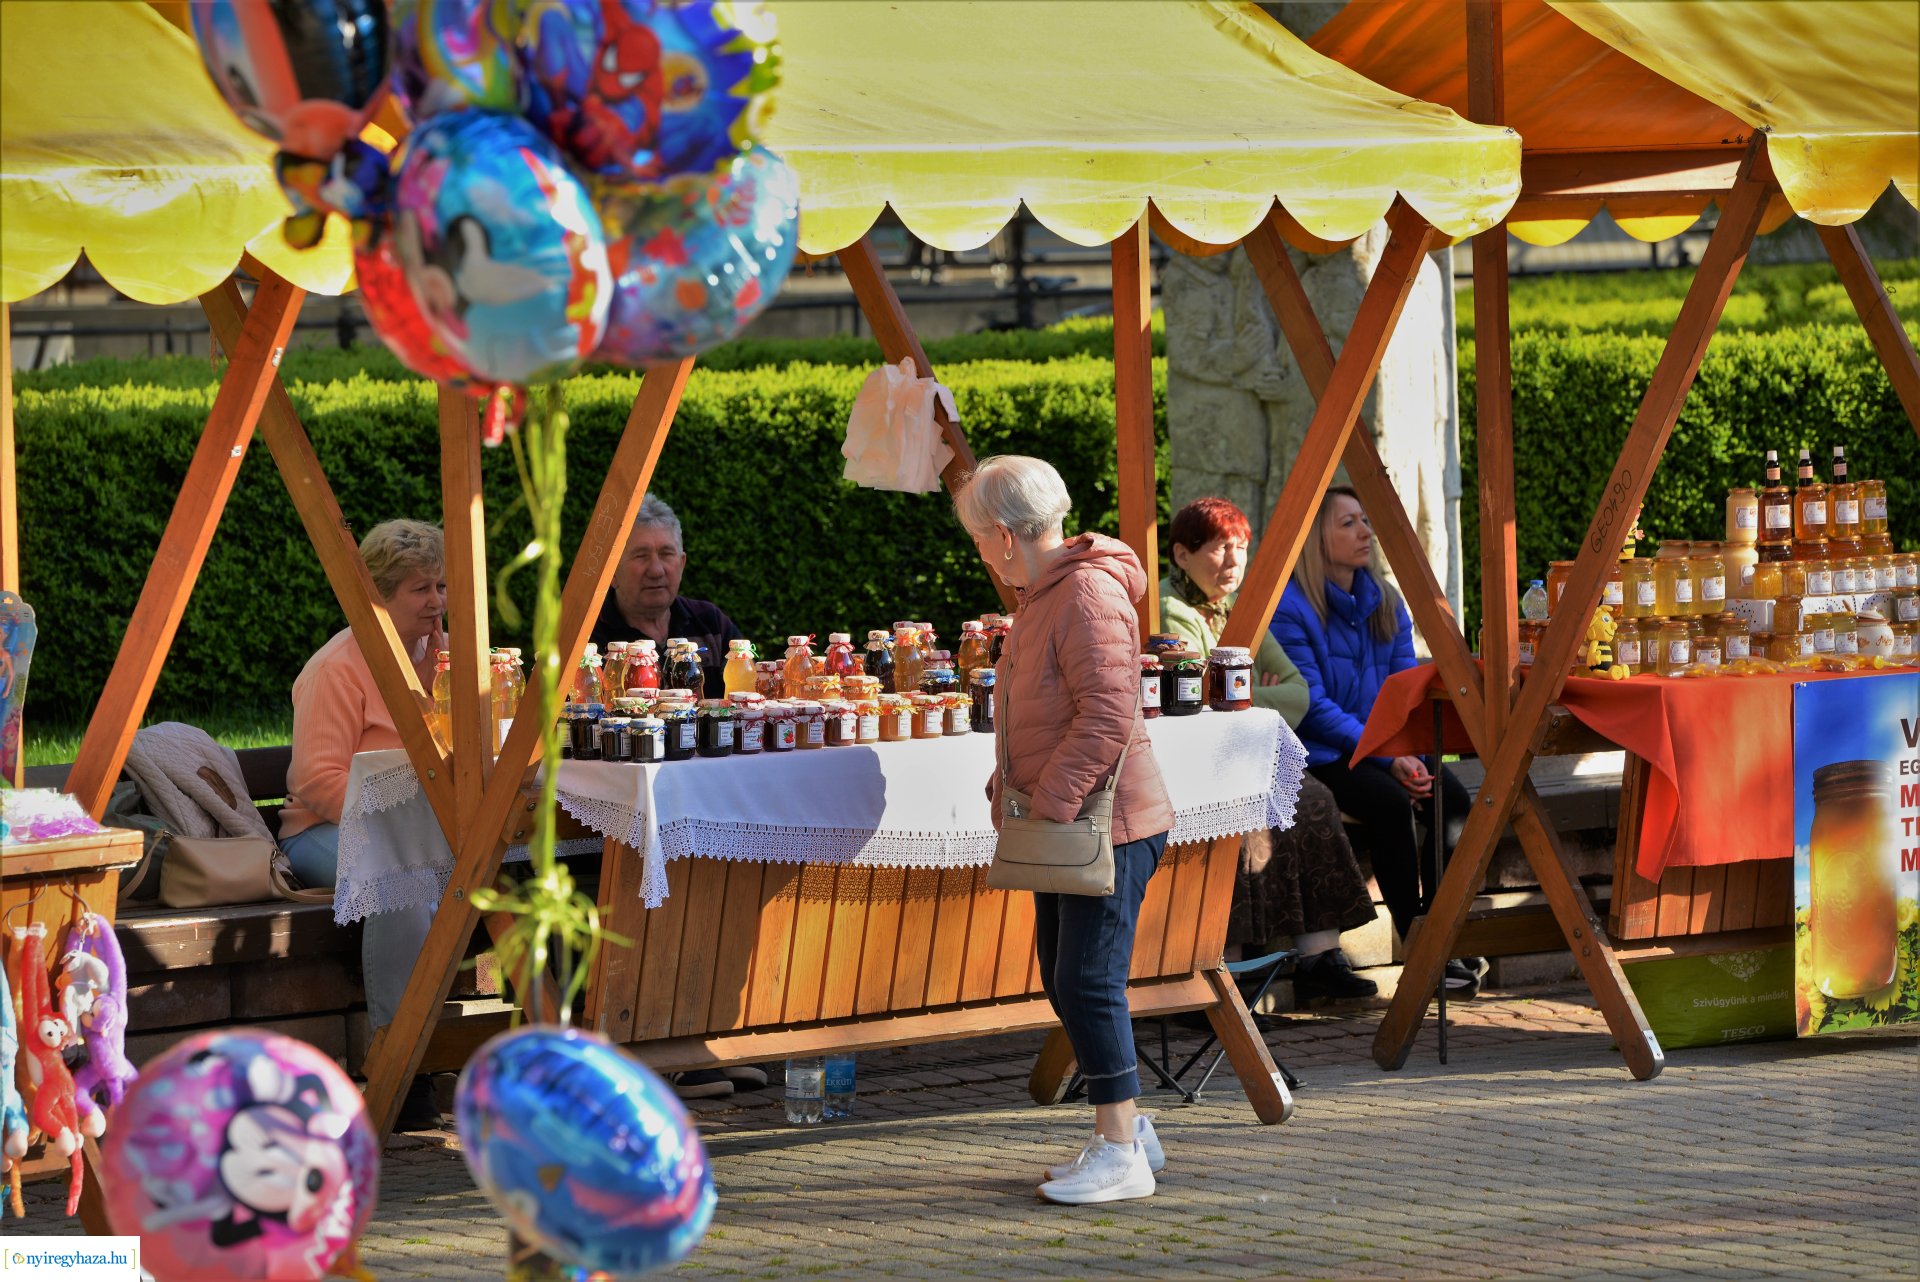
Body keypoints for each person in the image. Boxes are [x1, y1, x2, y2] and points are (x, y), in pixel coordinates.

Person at [956, 454, 1173, 1206]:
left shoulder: (1082, 590)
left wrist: (1044, 802)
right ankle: (1128, 1130)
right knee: (1067, 976)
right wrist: (1014, 787)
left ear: (1008, 536)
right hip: (1078, 819)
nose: (980, 552)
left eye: (980, 538)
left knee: (1087, 981)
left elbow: (1111, 715)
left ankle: (1122, 1151)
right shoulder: (1053, 591)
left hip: (1102, 824)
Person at [1159, 498, 1377, 1001]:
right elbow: (1202, 705)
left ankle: (1320, 954)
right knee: (1246, 820)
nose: (1234, 561)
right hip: (1195, 764)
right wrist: (1250, 688)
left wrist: (1240, 691)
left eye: (1240, 548)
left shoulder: (1242, 608)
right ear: (1182, 555)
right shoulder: (1172, 614)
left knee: (1315, 798)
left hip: (1247, 754)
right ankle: (1231, 970)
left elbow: (1298, 694)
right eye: (1218, 549)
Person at [1269, 486, 1482, 995]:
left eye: (1365, 520)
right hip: (1322, 752)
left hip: (1389, 746)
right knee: (1389, 805)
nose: (1365, 532)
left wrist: (1410, 755)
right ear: (1316, 536)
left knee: (1452, 799)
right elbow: (1312, 706)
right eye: (1348, 523)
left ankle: (1441, 933)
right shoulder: (1290, 607)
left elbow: (1406, 689)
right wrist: (1390, 761)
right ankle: (1419, 947)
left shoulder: (1385, 600)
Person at [279, 520, 448, 1131]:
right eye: (419, 590)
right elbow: (315, 783)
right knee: (402, 889)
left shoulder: (448, 657)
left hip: (435, 830)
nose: (436, 603)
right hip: (325, 834)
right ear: (379, 596)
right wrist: (404, 821)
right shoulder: (337, 668)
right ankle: (402, 1067)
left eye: (440, 587)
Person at [589, 493, 745, 699]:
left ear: (682, 564)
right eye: (641, 555)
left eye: (666, 554)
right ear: (612, 573)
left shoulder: (712, 623)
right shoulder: (588, 639)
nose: (656, 570)